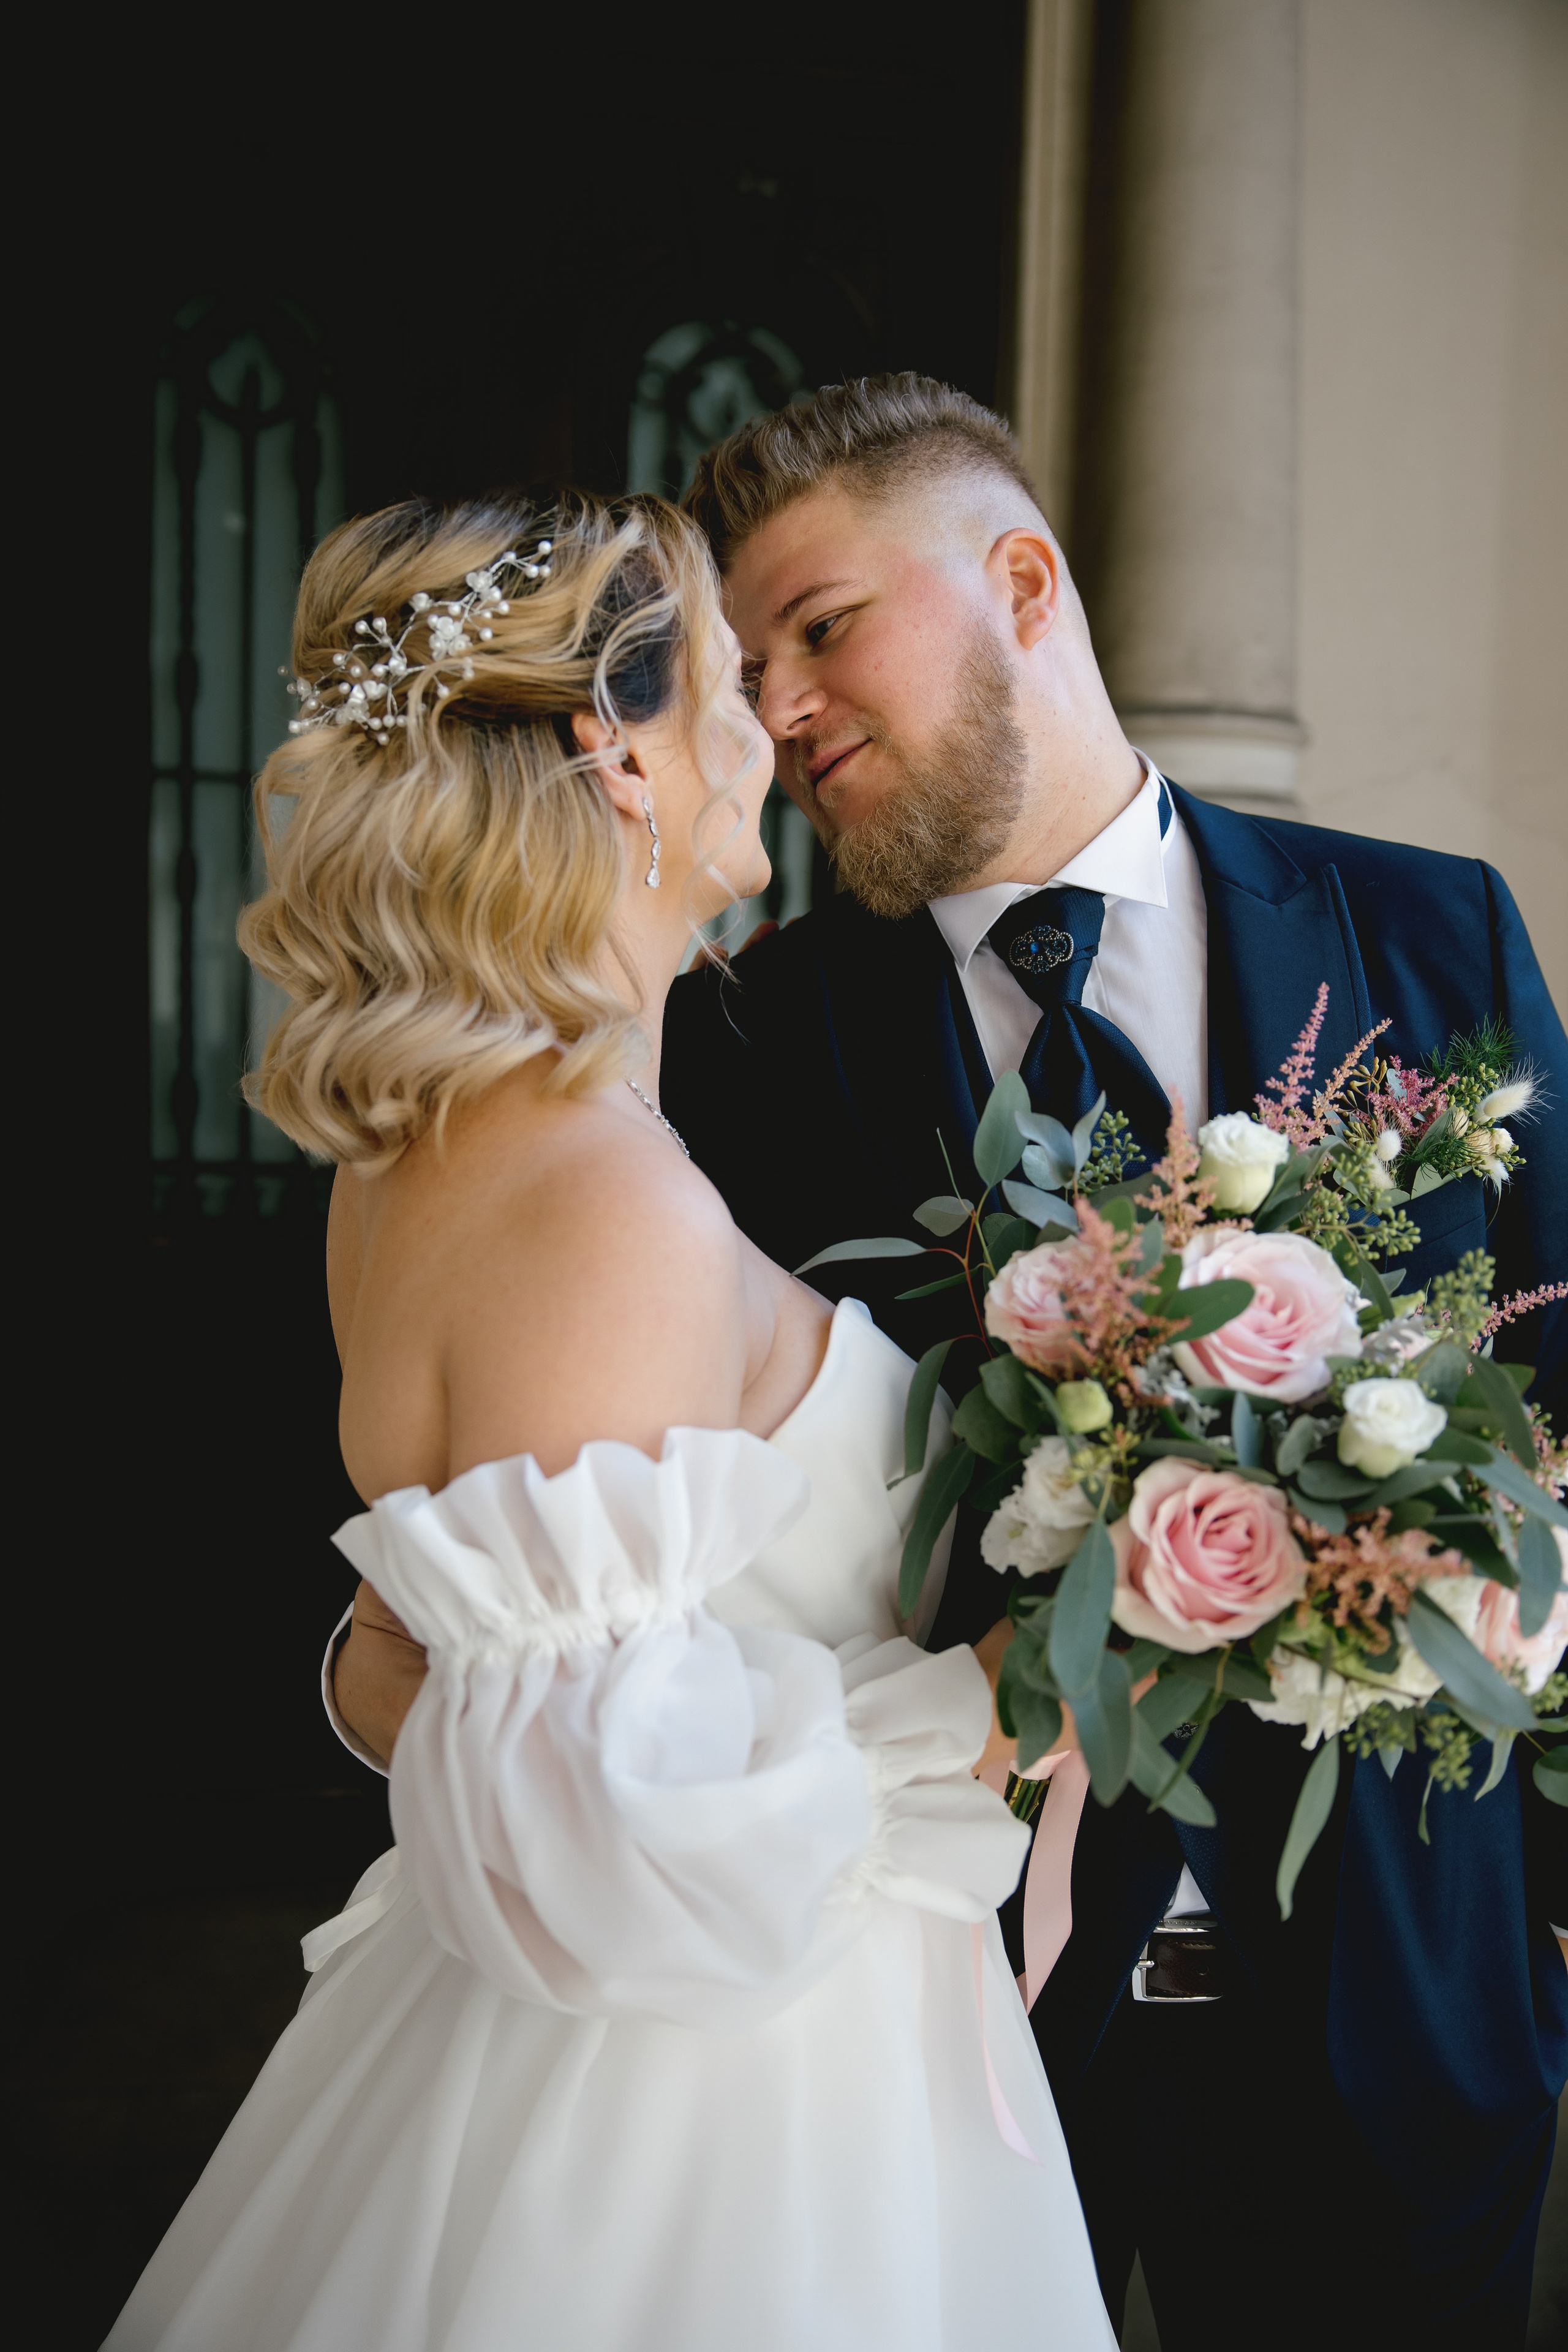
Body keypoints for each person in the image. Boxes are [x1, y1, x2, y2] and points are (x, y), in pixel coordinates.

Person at [107, 490, 1117, 2352]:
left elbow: (481, 1669)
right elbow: (606, 1846)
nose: (770, 731)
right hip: (717, 2116)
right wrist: (1001, 1697)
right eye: (732, 683)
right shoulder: (595, 1194)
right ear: (614, 748)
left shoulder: (435, 1150)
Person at [653, 375, 1568, 2348]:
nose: (782, 709)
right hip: (940, 2029)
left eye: (821, 628)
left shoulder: (1429, 940)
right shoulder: (736, 1043)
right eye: (745, 671)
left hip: (1409, 2011)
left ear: (1024, 579)